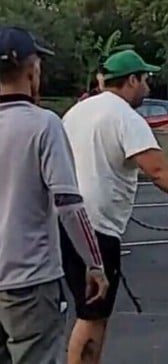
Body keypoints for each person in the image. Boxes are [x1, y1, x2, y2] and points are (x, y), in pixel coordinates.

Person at [60, 48, 168, 364]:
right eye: (146, 79)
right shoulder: (126, 118)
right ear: (131, 80)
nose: (149, 86)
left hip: (65, 224)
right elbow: (158, 171)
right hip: (96, 231)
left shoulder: (76, 113)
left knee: (84, 310)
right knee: (93, 315)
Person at [0, 26, 109, 364]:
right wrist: (94, 263)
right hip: (29, 281)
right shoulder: (43, 125)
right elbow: (69, 205)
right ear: (32, 71)